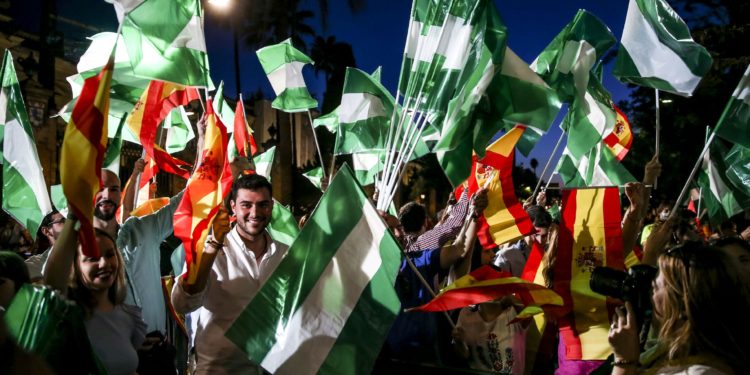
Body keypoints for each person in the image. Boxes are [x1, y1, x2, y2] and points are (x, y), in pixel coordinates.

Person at [171, 173, 288, 374]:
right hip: (218, 370)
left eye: (262, 205)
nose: (255, 212)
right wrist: (213, 246)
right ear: (233, 207)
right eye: (246, 205)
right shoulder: (209, 251)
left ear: (272, 207)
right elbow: (182, 303)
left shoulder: (286, 255)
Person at [608, 242, 750, 374]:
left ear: (683, 303)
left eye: (654, 288)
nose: (649, 297)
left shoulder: (701, 372)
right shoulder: (667, 355)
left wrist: (623, 362)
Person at [44, 216, 147, 375]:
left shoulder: (128, 316)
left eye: (109, 255)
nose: (104, 263)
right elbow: (51, 282)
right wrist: (73, 216)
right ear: (76, 266)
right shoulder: (67, 315)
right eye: (92, 258)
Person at [453, 298, 526, 374]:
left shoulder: (514, 312)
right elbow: (463, 355)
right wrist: (459, 343)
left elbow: (535, 303)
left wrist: (513, 299)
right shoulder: (466, 313)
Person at [25, 210, 65, 282]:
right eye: (64, 220)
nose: (71, 224)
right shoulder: (33, 267)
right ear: (46, 231)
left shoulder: (85, 258)